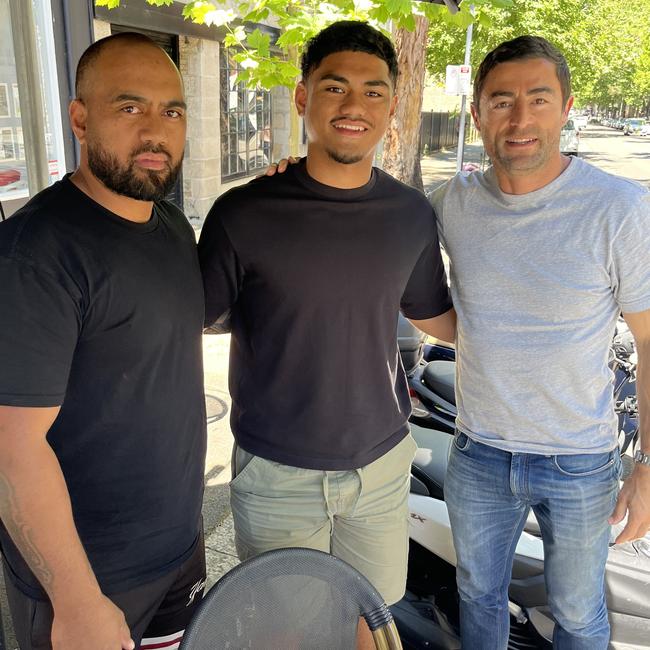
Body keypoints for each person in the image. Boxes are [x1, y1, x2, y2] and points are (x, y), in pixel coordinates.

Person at [198, 20, 455, 648]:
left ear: (392, 106)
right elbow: (199, 317)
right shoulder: (244, 212)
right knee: (294, 631)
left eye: (373, 92)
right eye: (334, 87)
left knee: (374, 624)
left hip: (381, 464)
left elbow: (432, 315)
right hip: (278, 469)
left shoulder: (410, 214)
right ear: (301, 96)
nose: (353, 106)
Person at [430, 35, 650, 649]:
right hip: (477, 453)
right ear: (476, 113)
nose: (520, 119)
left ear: (568, 106)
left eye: (539, 99)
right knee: (476, 598)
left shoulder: (620, 209)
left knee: (579, 616)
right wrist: (304, 173)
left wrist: (649, 467)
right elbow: (382, 239)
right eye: (501, 100)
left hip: (580, 461)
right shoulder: (451, 203)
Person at [0, 33, 206, 650]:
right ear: (79, 119)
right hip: (89, 578)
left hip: (177, 549)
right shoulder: (35, 255)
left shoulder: (169, 224)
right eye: (130, 107)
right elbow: (11, 447)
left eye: (172, 110)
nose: (156, 131)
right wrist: (76, 598)